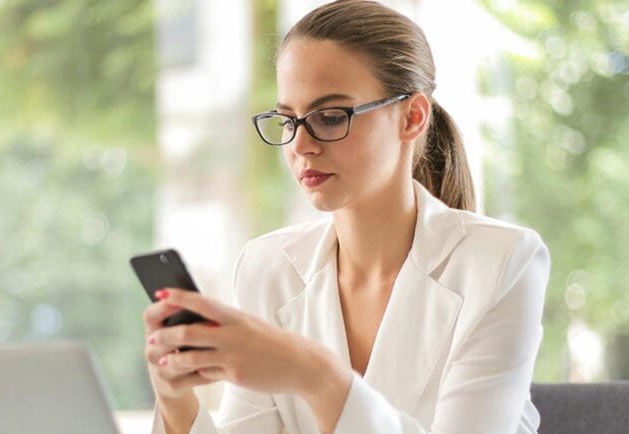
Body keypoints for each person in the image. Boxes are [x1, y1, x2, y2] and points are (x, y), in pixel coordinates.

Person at [142, 1, 550, 433]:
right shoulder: (268, 267)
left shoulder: (504, 261)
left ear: (411, 117)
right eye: (287, 120)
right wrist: (175, 400)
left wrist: (317, 375)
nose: (300, 145)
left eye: (330, 116)